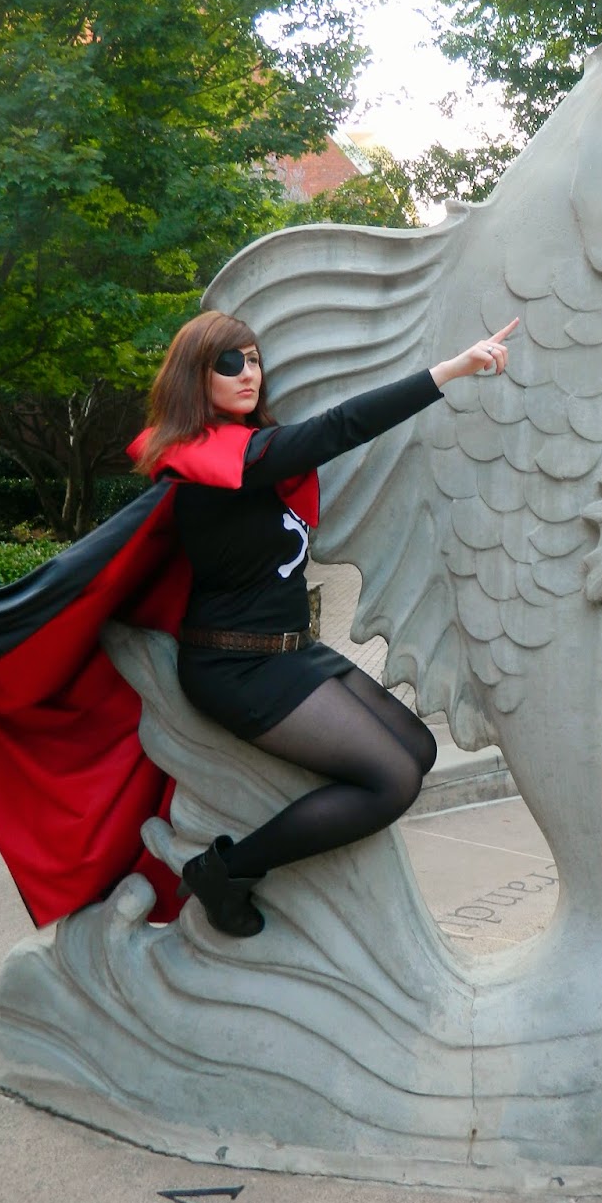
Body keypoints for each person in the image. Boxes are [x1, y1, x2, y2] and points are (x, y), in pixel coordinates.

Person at [126, 308, 519, 937]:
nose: (248, 372)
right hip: (236, 663)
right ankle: (226, 871)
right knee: (391, 781)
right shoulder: (212, 461)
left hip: (290, 652)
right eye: (229, 362)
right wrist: (451, 370)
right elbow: (341, 426)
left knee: (418, 749)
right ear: (195, 376)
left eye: (254, 359)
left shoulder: (250, 454)